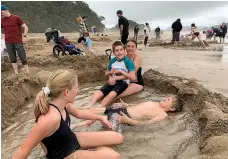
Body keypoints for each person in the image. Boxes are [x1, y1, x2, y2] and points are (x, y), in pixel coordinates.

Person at [12, 70, 124, 159]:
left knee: (119, 138)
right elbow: (23, 149)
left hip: (71, 140)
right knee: (114, 156)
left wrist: (100, 117)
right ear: (66, 92)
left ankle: (89, 151)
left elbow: (79, 113)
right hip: (63, 155)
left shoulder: (63, 104)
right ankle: (88, 152)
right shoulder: (50, 119)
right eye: (76, 87)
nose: (78, 91)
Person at [75, 97, 183, 128]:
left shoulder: (162, 114)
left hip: (127, 117)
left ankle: (82, 125)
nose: (165, 98)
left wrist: (128, 120)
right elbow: (138, 106)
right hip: (124, 110)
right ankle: (80, 122)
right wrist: (126, 105)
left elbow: (147, 124)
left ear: (172, 108)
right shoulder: (154, 102)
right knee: (94, 111)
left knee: (109, 124)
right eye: (167, 97)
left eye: (169, 100)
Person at [89, 41, 136, 108]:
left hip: (122, 83)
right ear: (114, 53)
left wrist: (121, 72)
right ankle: (89, 106)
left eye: (121, 50)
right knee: (97, 93)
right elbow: (106, 73)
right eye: (117, 50)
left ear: (125, 51)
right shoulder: (113, 61)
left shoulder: (128, 61)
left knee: (110, 95)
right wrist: (110, 74)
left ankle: (99, 108)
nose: (119, 52)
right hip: (112, 81)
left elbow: (133, 77)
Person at [1, 5, 29, 74]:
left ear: (6, 10)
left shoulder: (16, 18)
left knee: (23, 57)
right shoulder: (2, 20)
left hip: (18, 41)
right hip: (8, 42)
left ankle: (27, 72)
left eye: (2, 12)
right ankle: (16, 73)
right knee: (12, 58)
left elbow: (25, 27)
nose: (1, 14)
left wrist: (24, 36)